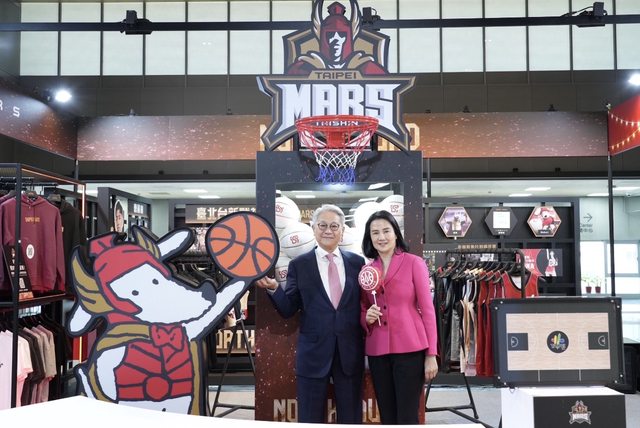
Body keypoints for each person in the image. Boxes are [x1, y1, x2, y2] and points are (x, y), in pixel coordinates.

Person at [255, 204, 365, 423]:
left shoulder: (357, 263)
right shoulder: (299, 265)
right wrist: (274, 289)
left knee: (351, 418)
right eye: (322, 225)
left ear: (342, 230)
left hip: (349, 354)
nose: (328, 230)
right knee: (310, 419)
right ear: (313, 228)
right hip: (313, 355)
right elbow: (289, 309)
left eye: (334, 226)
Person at [360, 210, 438, 424]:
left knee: (407, 415)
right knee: (387, 415)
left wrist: (431, 354)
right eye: (375, 232)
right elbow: (362, 307)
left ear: (396, 233)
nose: (381, 237)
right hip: (377, 351)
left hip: (410, 349)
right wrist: (366, 317)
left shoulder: (414, 263)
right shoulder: (367, 270)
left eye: (386, 231)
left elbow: (427, 310)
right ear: (369, 237)